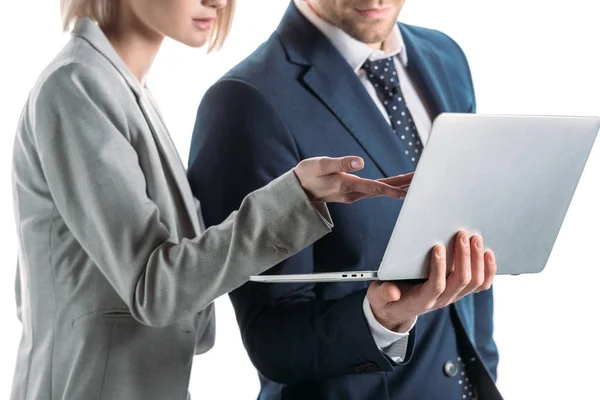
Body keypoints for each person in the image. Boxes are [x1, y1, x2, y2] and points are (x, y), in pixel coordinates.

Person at [9, 0, 412, 399]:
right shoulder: (78, 85)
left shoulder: (122, 87)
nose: (217, 1)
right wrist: (295, 198)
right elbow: (156, 291)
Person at [189, 0, 503, 399]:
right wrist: (379, 320)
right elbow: (271, 337)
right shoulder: (244, 101)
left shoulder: (446, 58)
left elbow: (470, 238)